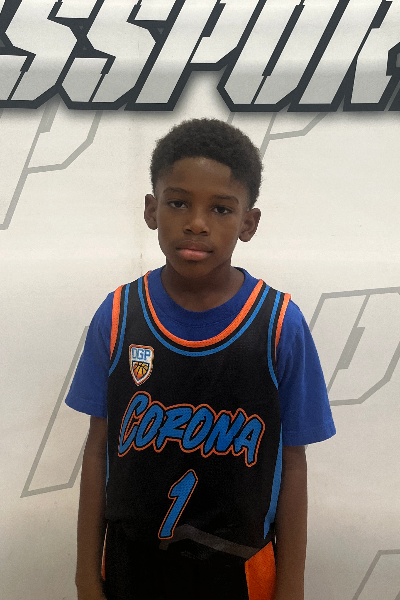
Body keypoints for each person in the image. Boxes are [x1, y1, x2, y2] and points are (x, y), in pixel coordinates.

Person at [66, 118, 335, 600]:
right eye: (178, 203)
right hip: (132, 565)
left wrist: (291, 586)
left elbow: (293, 464)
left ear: (248, 223)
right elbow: (97, 448)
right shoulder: (118, 315)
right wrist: (86, 577)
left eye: (221, 208)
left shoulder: (279, 325)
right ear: (151, 210)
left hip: (239, 570)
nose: (196, 222)